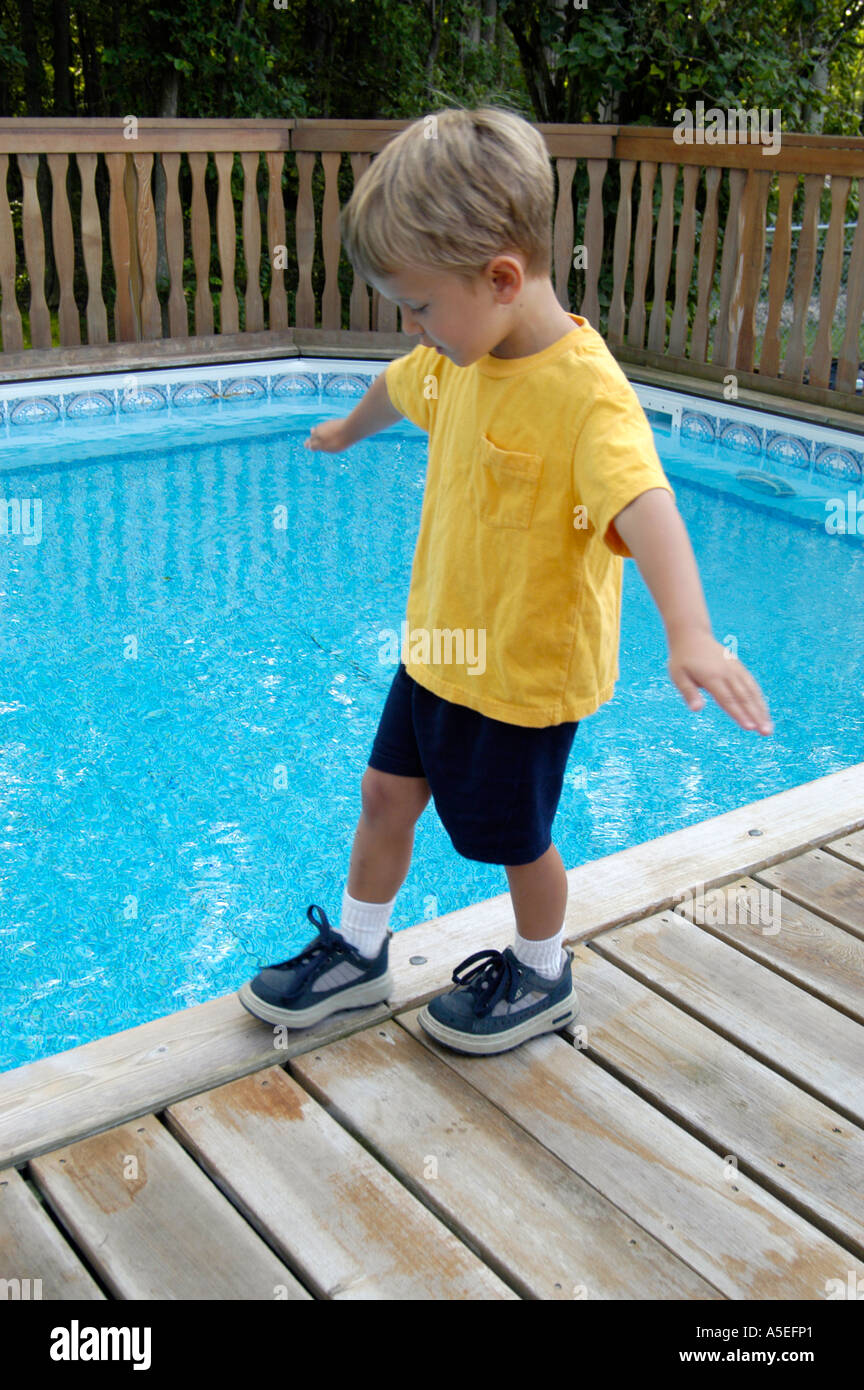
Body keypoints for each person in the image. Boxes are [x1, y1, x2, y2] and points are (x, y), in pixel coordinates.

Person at [237, 106, 773, 1055]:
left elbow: (648, 506)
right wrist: (343, 431)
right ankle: (361, 955)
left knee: (514, 841)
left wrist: (689, 632)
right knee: (383, 798)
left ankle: (543, 967)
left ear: (501, 278)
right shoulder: (459, 352)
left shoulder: (585, 396)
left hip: (523, 679)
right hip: (438, 650)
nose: (413, 327)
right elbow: (398, 384)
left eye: (418, 304)